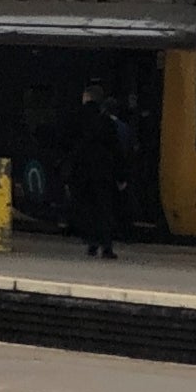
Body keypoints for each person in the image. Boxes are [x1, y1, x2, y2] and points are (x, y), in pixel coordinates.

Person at [66, 82, 124, 260]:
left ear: (86, 98)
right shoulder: (107, 122)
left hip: (81, 172)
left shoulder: (76, 119)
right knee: (104, 208)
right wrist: (121, 175)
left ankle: (91, 243)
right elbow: (116, 150)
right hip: (103, 172)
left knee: (86, 208)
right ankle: (106, 247)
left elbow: (68, 146)